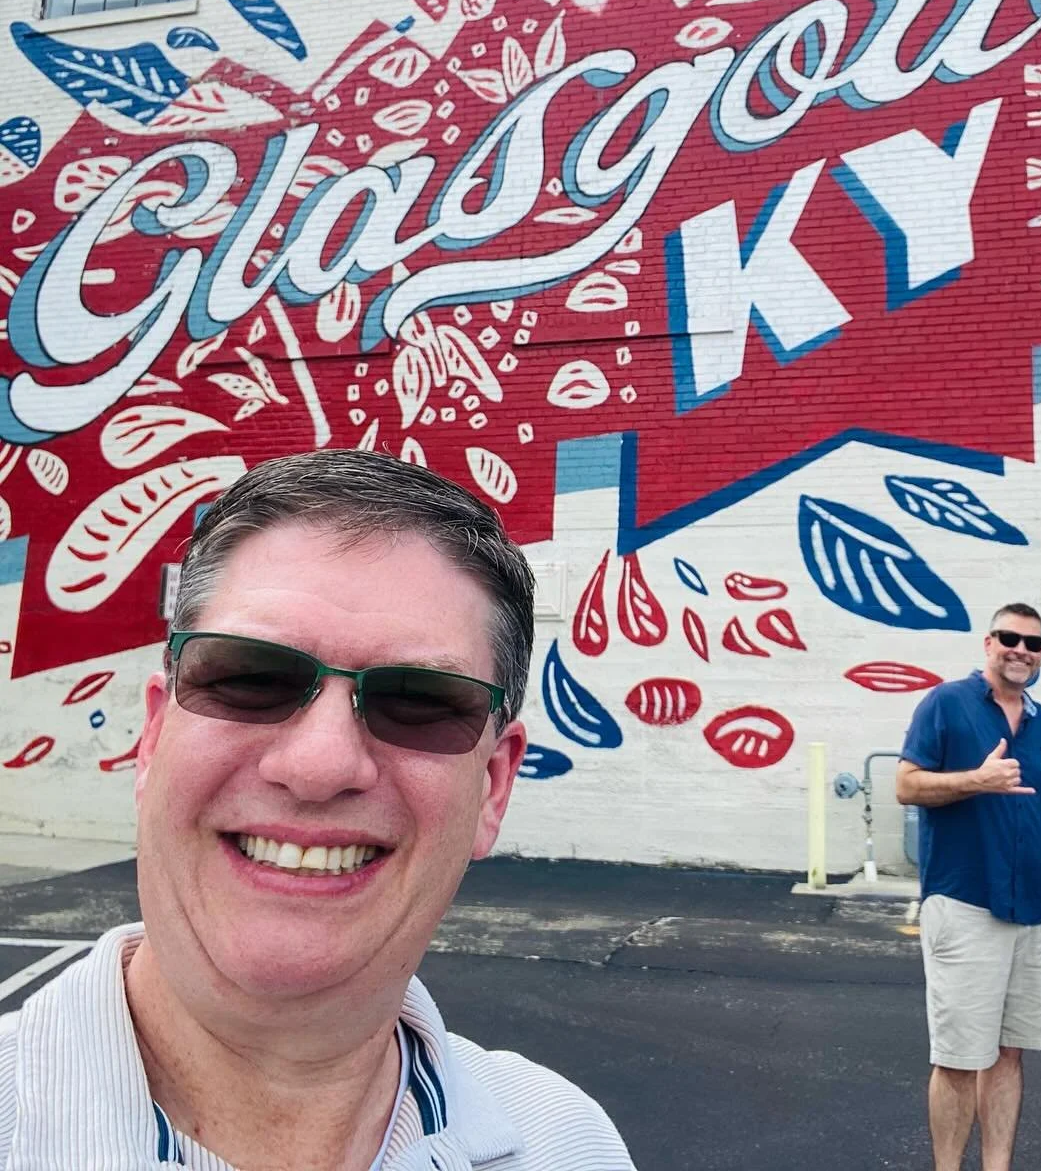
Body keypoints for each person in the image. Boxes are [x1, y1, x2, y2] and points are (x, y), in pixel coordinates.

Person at [0, 450, 635, 1170]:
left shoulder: (569, 1143)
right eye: (250, 678)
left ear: (493, 787)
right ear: (153, 738)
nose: (319, 766)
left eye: (418, 701)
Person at [895, 602, 1041, 1171]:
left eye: (1034, 643)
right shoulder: (946, 703)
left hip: (1032, 910)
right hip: (966, 900)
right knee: (959, 1057)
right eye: (1010, 638)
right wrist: (977, 780)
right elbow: (906, 786)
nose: (1021, 650)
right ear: (988, 643)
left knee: (1009, 1053)